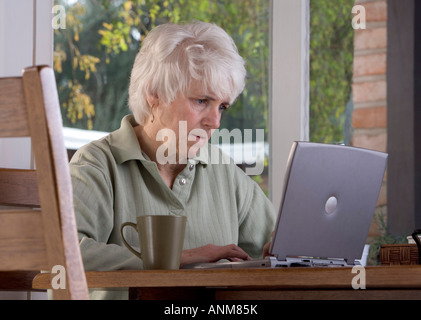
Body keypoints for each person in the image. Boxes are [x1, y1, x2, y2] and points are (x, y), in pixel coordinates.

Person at [70, 20, 276, 300]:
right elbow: (64, 254)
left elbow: (276, 244)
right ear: (154, 94)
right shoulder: (96, 165)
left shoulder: (224, 170)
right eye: (201, 101)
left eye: (222, 106)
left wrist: (286, 253)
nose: (215, 122)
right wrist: (177, 259)